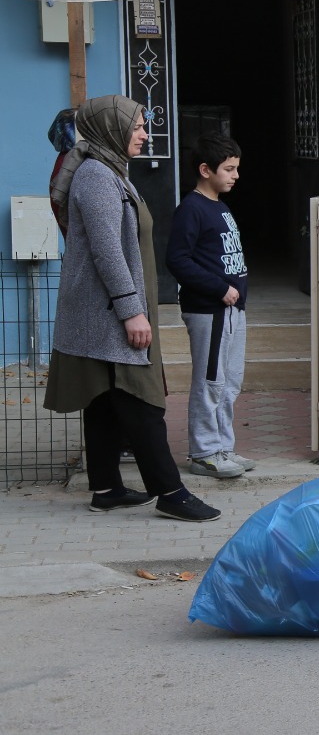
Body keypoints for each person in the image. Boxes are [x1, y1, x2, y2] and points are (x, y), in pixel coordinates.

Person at [43, 96, 221, 522]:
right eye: (138, 126)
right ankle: (171, 493)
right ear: (111, 129)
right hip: (108, 312)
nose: (145, 134)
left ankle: (106, 489)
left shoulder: (109, 172)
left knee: (104, 399)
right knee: (141, 400)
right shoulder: (98, 177)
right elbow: (107, 251)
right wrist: (130, 311)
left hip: (104, 310)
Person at [166, 133, 252, 479]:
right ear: (205, 169)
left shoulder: (221, 207)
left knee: (229, 381)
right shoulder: (191, 209)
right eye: (228, 169)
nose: (235, 175)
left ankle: (223, 447)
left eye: (236, 168)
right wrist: (220, 289)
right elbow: (177, 260)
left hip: (232, 311)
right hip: (209, 311)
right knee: (210, 381)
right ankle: (204, 452)